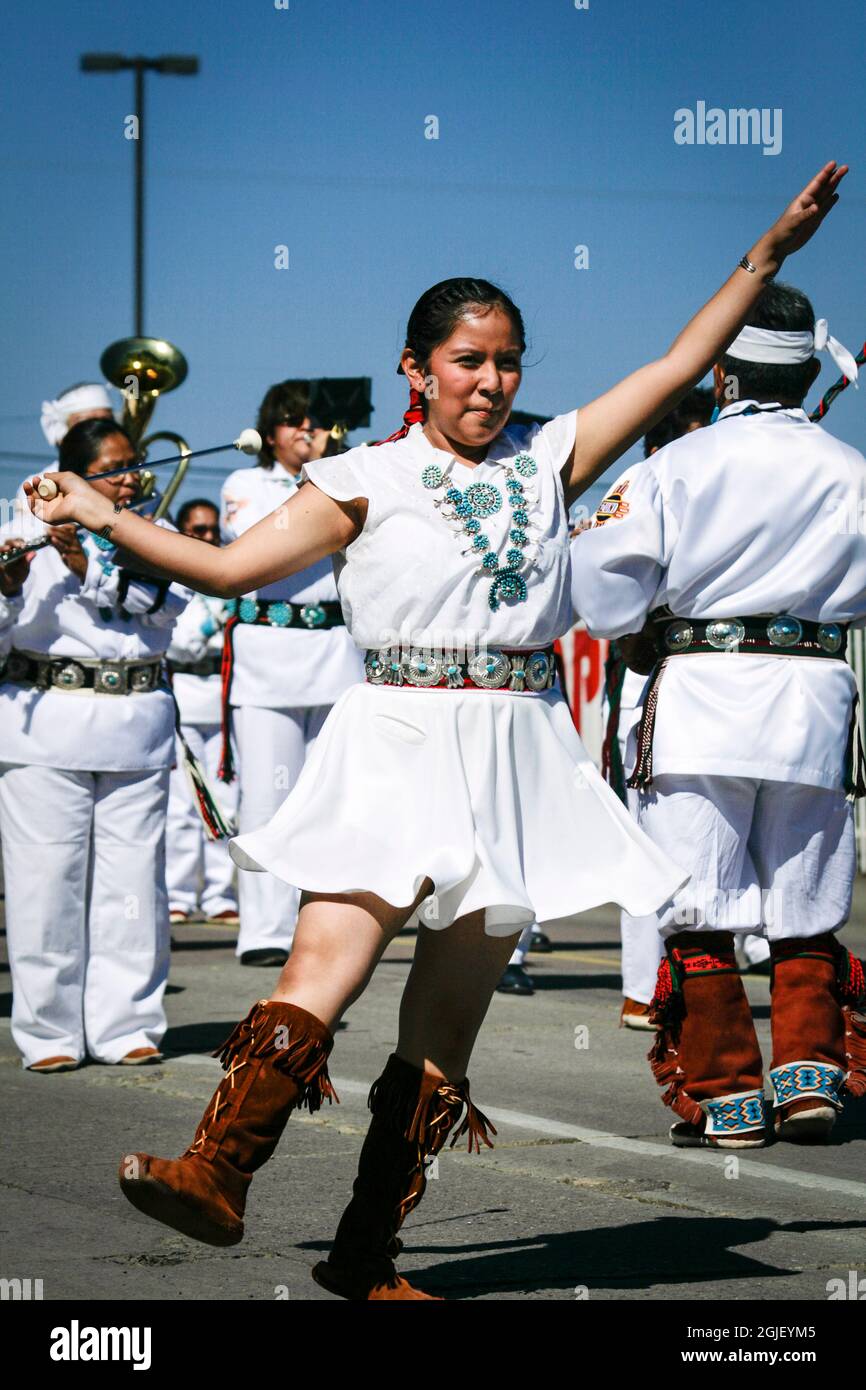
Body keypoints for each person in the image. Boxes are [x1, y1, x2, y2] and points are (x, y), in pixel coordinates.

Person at [27, 161, 846, 1294]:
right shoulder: (366, 474)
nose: (493, 380)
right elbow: (222, 566)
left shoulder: (550, 457)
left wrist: (765, 257)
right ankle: (215, 1171)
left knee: (444, 1028)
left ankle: (366, 1255)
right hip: (394, 738)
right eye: (469, 360)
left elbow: (674, 365)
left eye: (508, 359)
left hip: (513, 747)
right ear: (415, 367)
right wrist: (97, 511)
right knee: (325, 961)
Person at [571, 276, 866, 1149]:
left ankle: (729, 1098)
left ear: (723, 375)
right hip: (814, 700)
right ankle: (811, 1080)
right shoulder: (851, 470)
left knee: (698, 903)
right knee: (805, 900)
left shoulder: (674, 465)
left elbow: (606, 599)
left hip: (702, 701)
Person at [0, 419, 193, 1071]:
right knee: (45, 882)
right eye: (115, 466)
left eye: (135, 462)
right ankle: (48, 1032)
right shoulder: (19, 520)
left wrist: (87, 558)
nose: (134, 474)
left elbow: (165, 605)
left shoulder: (150, 534)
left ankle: (126, 1023)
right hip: (45, 729)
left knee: (133, 885)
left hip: (135, 729)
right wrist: (7, 585)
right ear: (75, 473)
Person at [219, 381, 364, 966]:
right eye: (292, 421)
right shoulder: (245, 485)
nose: (306, 431)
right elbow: (265, 544)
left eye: (316, 422)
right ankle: (264, 928)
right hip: (269, 653)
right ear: (269, 430)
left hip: (333, 651)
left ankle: (325, 926)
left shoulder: (349, 476)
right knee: (266, 797)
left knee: (327, 798)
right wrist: (319, 480)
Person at [595, 389, 714, 1029]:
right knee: (648, 841)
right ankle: (645, 987)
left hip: (721, 686)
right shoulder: (640, 485)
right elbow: (605, 595)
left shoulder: (728, 486)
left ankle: (701, 978)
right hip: (652, 679)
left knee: (705, 847)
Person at [165, 499, 238, 926]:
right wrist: (212, 624)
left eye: (212, 530)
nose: (206, 537)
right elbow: (180, 644)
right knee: (182, 806)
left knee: (225, 803)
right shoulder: (174, 579)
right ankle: (178, 894)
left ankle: (218, 894)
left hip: (224, 701)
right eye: (197, 529)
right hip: (184, 698)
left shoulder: (232, 578)